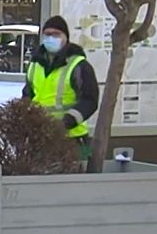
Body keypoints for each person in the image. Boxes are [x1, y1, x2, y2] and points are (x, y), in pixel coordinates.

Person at [22, 15, 99, 160]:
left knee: (72, 181)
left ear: (66, 37)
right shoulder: (35, 64)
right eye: (47, 34)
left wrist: (67, 122)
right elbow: (28, 94)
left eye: (56, 34)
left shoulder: (78, 65)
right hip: (40, 136)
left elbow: (90, 100)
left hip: (73, 137)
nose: (51, 38)